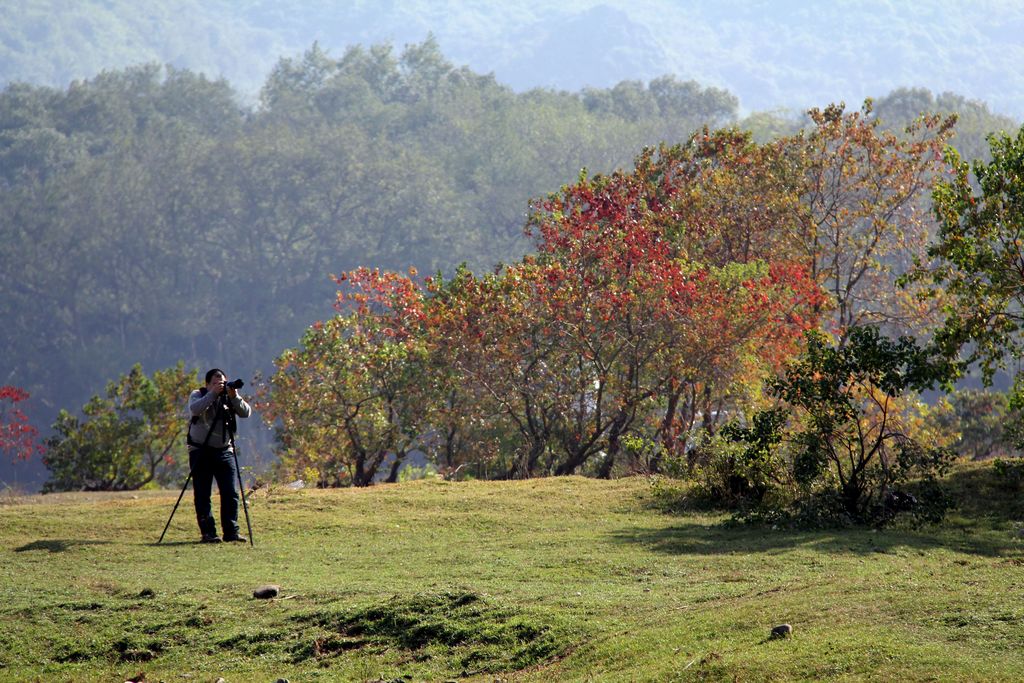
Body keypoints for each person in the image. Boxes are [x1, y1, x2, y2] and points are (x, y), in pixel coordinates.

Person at [187, 368, 251, 543]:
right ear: (207, 384)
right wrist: (212, 394)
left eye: (221, 382)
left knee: (230, 493)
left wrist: (234, 396)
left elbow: (246, 413)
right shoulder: (198, 394)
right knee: (202, 494)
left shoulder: (228, 398)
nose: (219, 386)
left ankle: (231, 532)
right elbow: (195, 410)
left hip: (224, 451)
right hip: (200, 451)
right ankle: (208, 533)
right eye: (215, 383)